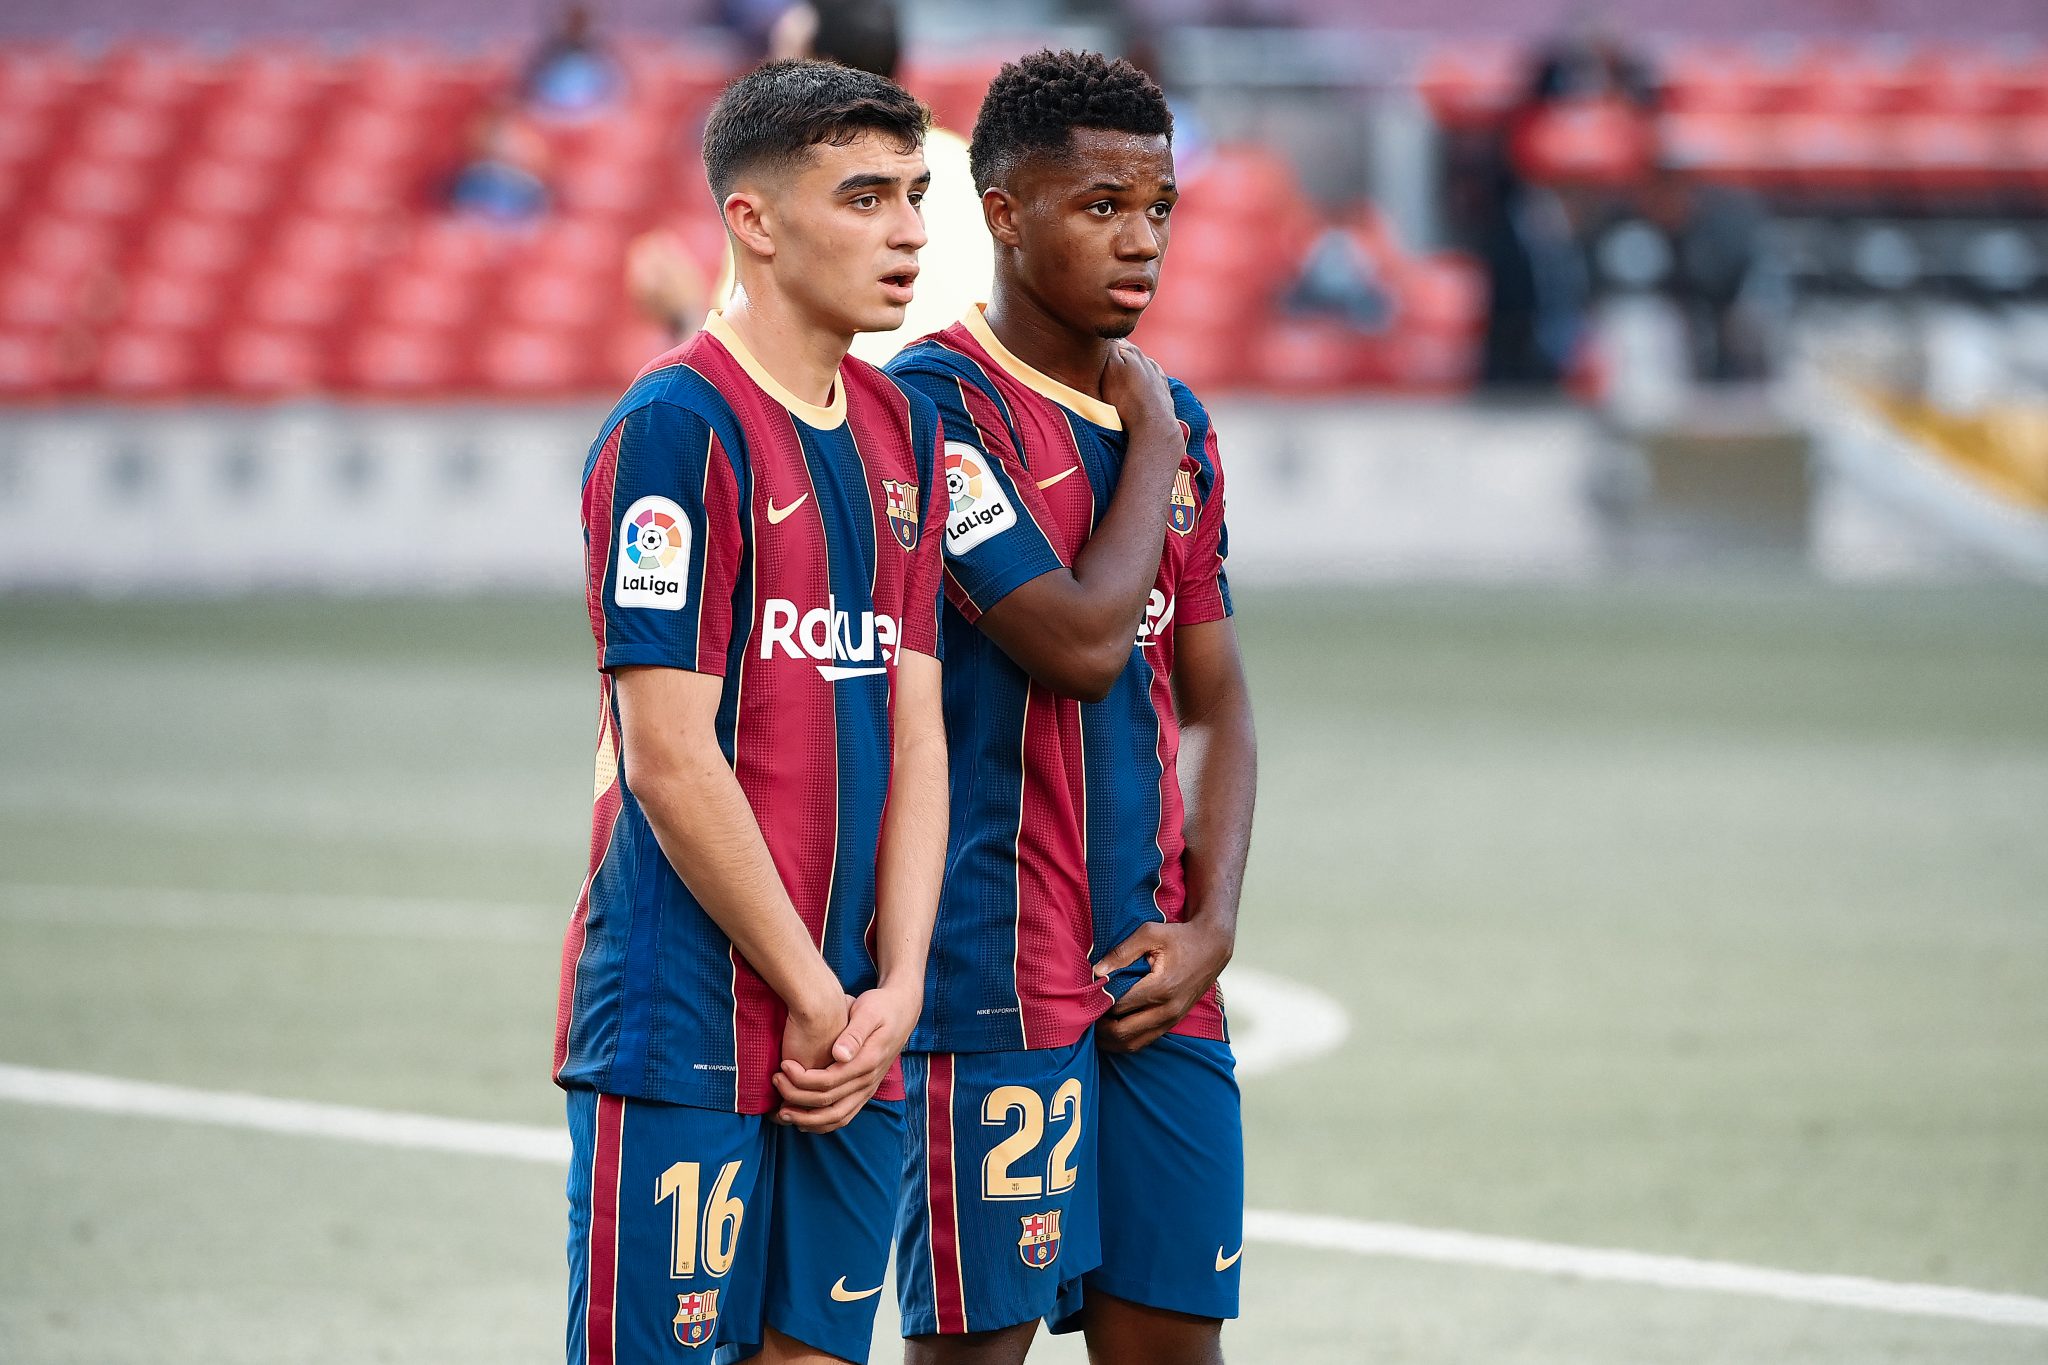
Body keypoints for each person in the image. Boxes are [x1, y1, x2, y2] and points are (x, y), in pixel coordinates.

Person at [557, 58, 948, 1365]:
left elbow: (917, 728)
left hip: (852, 1025)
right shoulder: (674, 431)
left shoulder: (905, 432)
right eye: (864, 197)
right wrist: (818, 994)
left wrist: (894, 984)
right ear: (757, 222)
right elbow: (671, 758)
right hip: (690, 1023)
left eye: (914, 195)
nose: (906, 233)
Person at [883, 50, 1257, 1365]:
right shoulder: (931, 414)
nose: (1142, 241)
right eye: (1103, 206)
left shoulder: (1182, 422)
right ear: (1002, 210)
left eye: (1159, 208)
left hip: (1159, 978)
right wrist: (1145, 437)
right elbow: (1083, 646)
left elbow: (1211, 699)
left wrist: (1212, 923)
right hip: (994, 976)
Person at [626, 0, 990, 367]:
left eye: (785, 61)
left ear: (821, 75)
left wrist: (685, 314)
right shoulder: (966, 161)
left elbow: (749, 377)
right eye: (867, 200)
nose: (914, 234)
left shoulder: (786, 183)